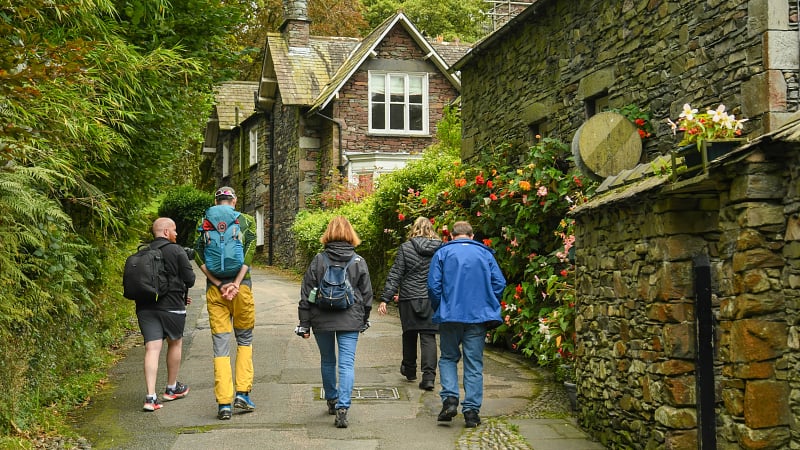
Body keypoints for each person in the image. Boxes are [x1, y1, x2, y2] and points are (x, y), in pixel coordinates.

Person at [427, 220, 505, 428]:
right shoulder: (485, 254)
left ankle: (450, 399)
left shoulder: (442, 253)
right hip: (477, 317)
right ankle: (471, 412)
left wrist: (441, 307)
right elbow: (499, 283)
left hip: (450, 316)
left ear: (452, 236)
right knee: (473, 364)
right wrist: (488, 302)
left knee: (448, 358)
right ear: (472, 236)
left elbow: (433, 286)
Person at [297, 216, 373, 429]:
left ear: (328, 234)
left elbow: (307, 293)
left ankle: (331, 398)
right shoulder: (358, 261)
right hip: (350, 319)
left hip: (321, 317)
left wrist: (304, 322)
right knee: (347, 363)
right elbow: (367, 295)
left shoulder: (319, 260)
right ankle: (343, 407)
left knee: (328, 360)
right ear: (351, 234)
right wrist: (364, 319)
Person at [194, 186, 257, 420]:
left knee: (220, 346)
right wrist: (237, 283)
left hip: (216, 292)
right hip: (242, 290)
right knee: (244, 341)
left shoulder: (203, 222)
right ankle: (242, 393)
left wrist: (219, 284)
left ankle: (224, 404)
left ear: (215, 201)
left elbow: (198, 256)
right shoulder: (246, 221)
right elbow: (249, 254)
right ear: (234, 201)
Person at [138, 217, 196, 412]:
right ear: (165, 232)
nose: (176, 234)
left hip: (146, 307)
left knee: (152, 349)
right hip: (172, 306)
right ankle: (171, 388)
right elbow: (190, 278)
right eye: (174, 230)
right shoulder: (176, 250)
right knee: (175, 342)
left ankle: (150, 397)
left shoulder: (143, 252)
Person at [378, 216, 442, 390]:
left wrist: (385, 298)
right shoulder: (440, 249)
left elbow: (396, 274)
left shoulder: (406, 248)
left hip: (409, 297)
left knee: (409, 333)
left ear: (415, 229)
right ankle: (429, 378)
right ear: (430, 229)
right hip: (430, 298)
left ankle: (410, 370)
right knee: (429, 336)